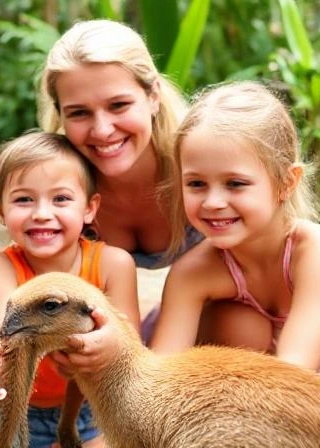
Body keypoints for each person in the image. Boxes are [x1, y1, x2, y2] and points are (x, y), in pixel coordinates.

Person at [149, 81, 320, 389]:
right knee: (240, 324)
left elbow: (294, 376)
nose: (213, 202)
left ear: (287, 182)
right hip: (222, 397)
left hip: (307, 399)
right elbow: (158, 381)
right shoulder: (193, 271)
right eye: (196, 184)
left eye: (235, 183)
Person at [36, 19, 202, 344]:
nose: (102, 130)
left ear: (153, 95)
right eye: (79, 113)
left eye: (119, 105)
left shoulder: (200, 162)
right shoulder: (58, 188)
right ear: (61, 114)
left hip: (212, 318)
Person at [0, 131, 140, 448]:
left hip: (96, 407)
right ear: (0, 210)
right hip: (22, 410)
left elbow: (129, 344)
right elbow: (10, 339)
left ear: (90, 208)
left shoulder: (114, 264)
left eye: (61, 199)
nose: (41, 213)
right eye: (23, 199)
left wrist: (102, 349)